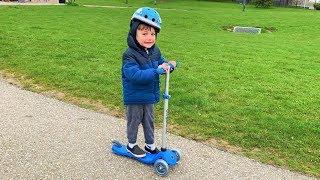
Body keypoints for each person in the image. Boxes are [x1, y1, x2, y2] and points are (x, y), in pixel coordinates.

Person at [121, 7, 176, 158]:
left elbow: (161, 63)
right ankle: (131, 145)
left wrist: (169, 66)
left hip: (149, 96)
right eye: (144, 33)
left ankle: (150, 145)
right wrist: (156, 71)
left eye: (152, 34)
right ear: (134, 33)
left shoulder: (154, 51)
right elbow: (135, 75)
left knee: (149, 121)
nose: (149, 37)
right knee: (134, 121)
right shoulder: (129, 55)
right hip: (134, 96)